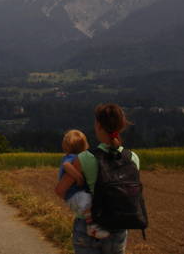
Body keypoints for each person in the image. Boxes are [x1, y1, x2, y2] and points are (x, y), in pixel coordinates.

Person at [55, 103, 140, 254]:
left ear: (98, 125)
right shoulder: (133, 158)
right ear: (121, 126)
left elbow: (60, 190)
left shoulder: (84, 158)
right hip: (118, 227)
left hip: (88, 227)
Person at [59, 129, 110, 239]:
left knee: (88, 204)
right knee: (88, 203)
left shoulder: (70, 156)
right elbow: (67, 165)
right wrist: (78, 177)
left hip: (73, 195)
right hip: (75, 194)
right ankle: (92, 228)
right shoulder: (71, 158)